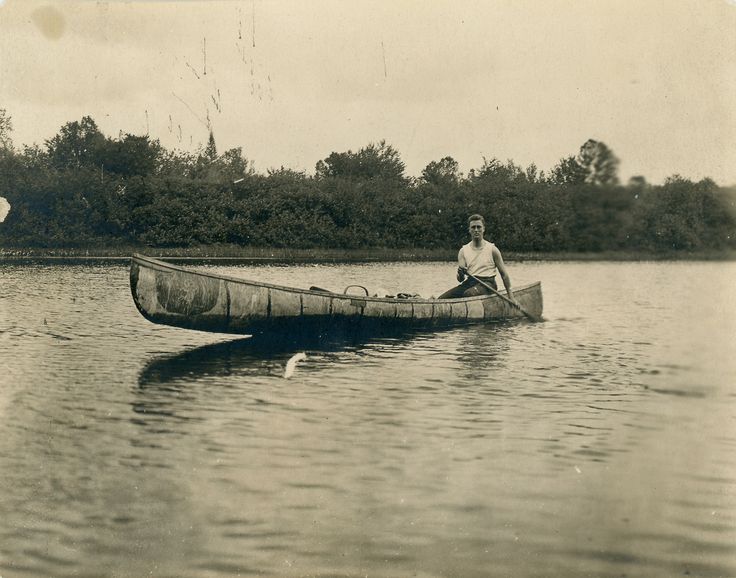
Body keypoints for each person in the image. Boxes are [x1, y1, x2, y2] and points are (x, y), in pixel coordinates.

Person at [438, 214, 515, 301]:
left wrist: (511, 296)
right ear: (469, 230)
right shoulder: (463, 251)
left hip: (488, 284)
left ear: (483, 229)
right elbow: (461, 279)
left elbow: (504, 275)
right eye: (473, 227)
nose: (476, 230)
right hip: (470, 282)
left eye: (479, 227)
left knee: (469, 294)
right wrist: (460, 273)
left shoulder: (492, 249)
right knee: (441, 299)